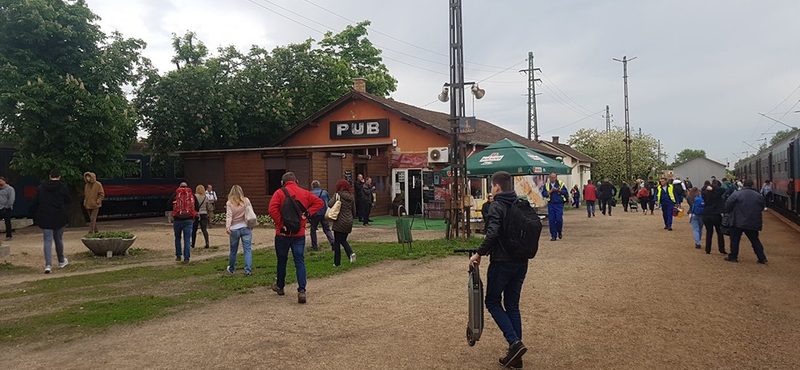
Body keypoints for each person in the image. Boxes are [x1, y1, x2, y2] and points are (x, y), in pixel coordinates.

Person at [468, 171, 529, 369]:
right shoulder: (520, 204)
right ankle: (516, 357)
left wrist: (478, 253)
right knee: (512, 305)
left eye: (492, 186)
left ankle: (514, 342)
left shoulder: (497, 206)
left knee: (492, 301)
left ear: (496, 187)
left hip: (502, 263)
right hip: (521, 262)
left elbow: (493, 232)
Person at [268, 172, 324, 304]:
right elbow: (319, 203)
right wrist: (308, 213)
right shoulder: (304, 193)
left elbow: (272, 209)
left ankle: (280, 287)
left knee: (282, 261)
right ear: (296, 181)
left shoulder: (279, 193)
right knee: (299, 261)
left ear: (283, 182)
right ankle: (302, 291)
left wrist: (280, 223)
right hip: (299, 233)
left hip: (282, 234)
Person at [30, 169, 71, 273]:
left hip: (46, 216)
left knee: (47, 241)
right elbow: (68, 201)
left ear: (49, 176)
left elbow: (35, 202)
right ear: (59, 176)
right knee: (59, 239)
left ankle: (48, 265)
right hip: (59, 216)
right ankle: (61, 261)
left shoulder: (40, 188)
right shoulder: (63, 188)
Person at [724, 179, 768, 264]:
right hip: (753, 221)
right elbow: (762, 207)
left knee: (735, 239)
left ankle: (733, 256)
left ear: (743, 185)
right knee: (755, 240)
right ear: (752, 185)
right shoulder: (758, 196)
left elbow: (728, 204)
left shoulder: (737, 194)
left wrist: (730, 212)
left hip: (737, 221)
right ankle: (762, 257)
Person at [225, 185, 254, 275]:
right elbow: (251, 212)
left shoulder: (229, 203)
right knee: (247, 250)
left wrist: (227, 227)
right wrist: (251, 224)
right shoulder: (246, 201)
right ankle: (248, 270)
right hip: (245, 227)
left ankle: (232, 268)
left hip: (234, 229)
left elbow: (229, 216)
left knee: (233, 250)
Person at [169, 182, 199, 263]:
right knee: (187, 239)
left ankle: (178, 256)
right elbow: (197, 205)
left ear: (179, 187)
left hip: (177, 220)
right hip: (188, 220)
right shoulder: (191, 194)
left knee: (177, 238)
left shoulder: (175, 194)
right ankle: (186, 258)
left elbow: (168, 203)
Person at [329, 179, 357, 267]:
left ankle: (337, 263)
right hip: (349, 221)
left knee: (337, 242)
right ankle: (350, 253)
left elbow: (330, 204)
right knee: (343, 240)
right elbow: (354, 211)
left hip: (339, 221)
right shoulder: (351, 196)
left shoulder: (338, 195)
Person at [701, 181, 727, 255]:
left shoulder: (704, 193)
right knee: (719, 232)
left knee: (709, 232)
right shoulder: (717, 194)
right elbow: (723, 190)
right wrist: (714, 188)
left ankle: (708, 249)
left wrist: (708, 188)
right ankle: (721, 249)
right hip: (715, 214)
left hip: (706, 214)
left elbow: (702, 189)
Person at [309, 180, 335, 251]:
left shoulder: (310, 194)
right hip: (324, 213)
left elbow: (309, 204)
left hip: (315, 214)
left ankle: (314, 246)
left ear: (312, 186)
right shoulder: (324, 192)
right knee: (327, 229)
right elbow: (329, 202)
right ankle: (332, 242)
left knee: (313, 230)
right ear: (319, 185)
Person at [541, 172, 568, 241]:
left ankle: (559, 231)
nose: (553, 179)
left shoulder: (560, 184)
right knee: (552, 220)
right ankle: (553, 235)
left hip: (559, 204)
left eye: (554, 178)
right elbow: (544, 194)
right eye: (551, 178)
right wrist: (550, 191)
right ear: (549, 178)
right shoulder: (546, 185)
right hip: (551, 204)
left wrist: (558, 190)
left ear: (556, 178)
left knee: (559, 219)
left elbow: (565, 192)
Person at [192, 185, 213, 249]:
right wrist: (210, 216)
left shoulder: (194, 197)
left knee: (194, 230)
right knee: (204, 229)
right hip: (204, 214)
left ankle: (193, 244)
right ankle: (207, 242)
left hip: (196, 214)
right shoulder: (205, 197)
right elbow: (209, 207)